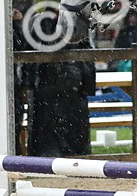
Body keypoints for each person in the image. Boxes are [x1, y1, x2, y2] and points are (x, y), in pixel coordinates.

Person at [19, 14, 97, 157]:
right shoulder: (40, 24)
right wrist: (28, 83)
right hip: (49, 87)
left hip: (70, 85)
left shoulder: (76, 23)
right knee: (49, 133)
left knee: (72, 134)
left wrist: (87, 85)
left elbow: (88, 55)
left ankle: (73, 156)